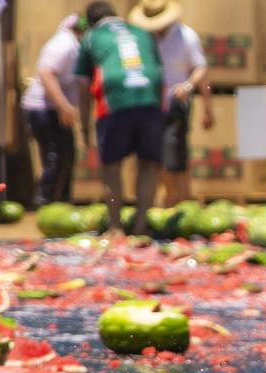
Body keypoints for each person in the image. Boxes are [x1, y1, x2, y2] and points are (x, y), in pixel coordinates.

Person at [75, 1, 164, 239]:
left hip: (116, 102)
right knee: (148, 164)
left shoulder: (92, 37)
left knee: (111, 168)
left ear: (91, 21)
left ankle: (115, 227)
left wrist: (84, 127)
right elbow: (158, 71)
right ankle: (141, 225)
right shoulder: (142, 31)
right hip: (149, 99)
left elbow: (83, 86)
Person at [128, 0, 214, 207]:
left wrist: (190, 88)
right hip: (151, 103)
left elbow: (201, 69)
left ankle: (180, 201)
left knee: (175, 157)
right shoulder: (144, 39)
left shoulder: (186, 36)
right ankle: (170, 199)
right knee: (155, 156)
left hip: (176, 103)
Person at [22, 14, 84, 208]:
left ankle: (62, 202)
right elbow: (46, 72)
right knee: (54, 156)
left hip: (52, 109)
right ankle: (46, 202)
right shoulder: (64, 44)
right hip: (43, 109)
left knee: (67, 154)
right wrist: (63, 106)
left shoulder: (73, 45)